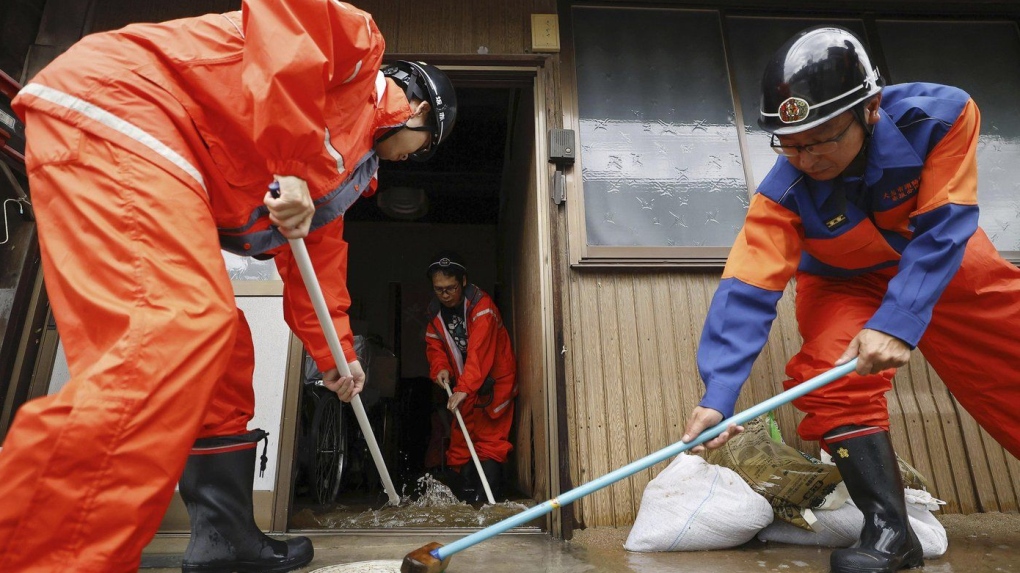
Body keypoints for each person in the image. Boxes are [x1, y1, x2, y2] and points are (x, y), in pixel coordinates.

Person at [0, 1, 457, 572]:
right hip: (128, 107)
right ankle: (42, 555)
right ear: (417, 111)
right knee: (173, 330)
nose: (413, 159)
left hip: (164, 153)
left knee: (222, 353)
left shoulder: (342, 175)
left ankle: (225, 540)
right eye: (424, 147)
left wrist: (336, 356)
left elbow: (315, 268)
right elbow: (289, 18)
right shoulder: (359, 53)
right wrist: (289, 162)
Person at [681, 25, 1020, 573]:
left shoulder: (941, 115)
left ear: (870, 108)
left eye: (820, 139)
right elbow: (748, 287)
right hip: (844, 279)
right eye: (787, 144)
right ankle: (890, 531)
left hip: (941, 255)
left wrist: (899, 318)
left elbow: (945, 223)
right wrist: (718, 394)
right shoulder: (782, 193)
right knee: (829, 374)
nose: (805, 158)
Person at [424, 253, 518, 503]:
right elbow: (435, 347)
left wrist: (463, 388)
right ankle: (466, 501)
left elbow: (479, 353)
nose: (445, 294)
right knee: (460, 443)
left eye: (450, 288)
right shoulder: (435, 313)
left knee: (490, 441)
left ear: (463, 281)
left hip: (494, 382)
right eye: (439, 289)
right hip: (467, 385)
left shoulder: (482, 307)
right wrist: (440, 368)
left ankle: (488, 502)